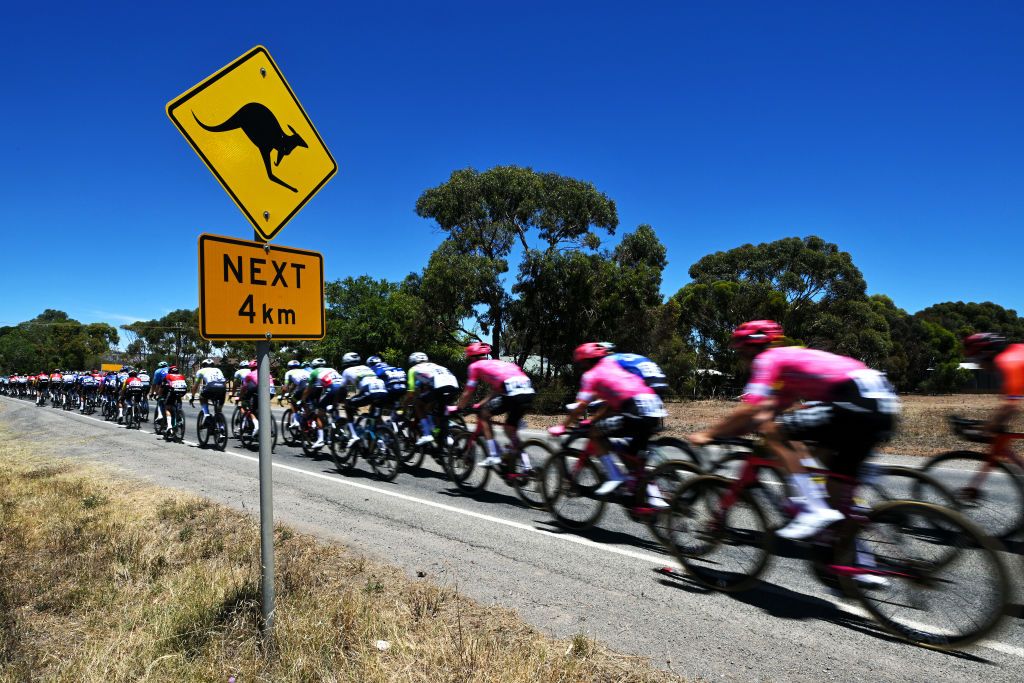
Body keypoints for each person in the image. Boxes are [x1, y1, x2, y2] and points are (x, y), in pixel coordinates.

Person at [688, 320, 900, 540]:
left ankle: (813, 509)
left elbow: (752, 409)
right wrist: (735, 429)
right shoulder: (790, 363)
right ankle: (851, 542)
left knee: (775, 432)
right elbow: (770, 410)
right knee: (827, 468)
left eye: (740, 350)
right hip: (882, 403)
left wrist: (709, 433)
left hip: (853, 401)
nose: (740, 355)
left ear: (752, 347)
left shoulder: (768, 358)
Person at [548, 343, 668, 509]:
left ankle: (615, 476)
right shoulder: (614, 368)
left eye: (581, 364)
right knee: (632, 455)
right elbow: (611, 405)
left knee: (595, 433)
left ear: (586, 362)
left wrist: (562, 426)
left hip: (634, 410)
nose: (581, 367)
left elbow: (580, 406)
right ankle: (654, 498)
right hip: (654, 409)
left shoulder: (591, 375)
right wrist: (594, 419)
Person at [454, 342, 535, 468]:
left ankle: (494, 455)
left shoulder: (475, 366)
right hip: (528, 392)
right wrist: (481, 403)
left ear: (472, 357)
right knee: (510, 430)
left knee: (483, 415)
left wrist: (458, 408)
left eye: (469, 358)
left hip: (512, 393)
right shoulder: (499, 363)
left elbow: (468, 391)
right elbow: (497, 390)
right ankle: (527, 466)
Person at [963, 333, 1023, 434]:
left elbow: (1011, 407)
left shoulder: (1008, 362)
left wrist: (984, 429)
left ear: (988, 354)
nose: (980, 365)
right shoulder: (1015, 350)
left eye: (976, 360)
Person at [406, 352, 460, 447]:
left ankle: (427, 434)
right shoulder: (433, 365)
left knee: (418, 404)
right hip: (454, 386)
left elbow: (410, 392)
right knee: (435, 409)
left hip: (439, 387)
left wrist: (404, 405)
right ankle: (446, 435)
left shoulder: (413, 369)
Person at [339, 352, 389, 446]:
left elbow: (343, 390)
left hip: (369, 391)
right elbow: (353, 389)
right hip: (383, 391)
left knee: (348, 406)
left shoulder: (347, 371)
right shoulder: (366, 367)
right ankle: (384, 439)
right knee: (375, 417)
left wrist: (338, 401)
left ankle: (354, 436)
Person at [300, 358, 344, 449]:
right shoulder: (331, 369)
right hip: (344, 389)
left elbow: (308, 389)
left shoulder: (314, 372)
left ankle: (320, 439)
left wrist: (303, 399)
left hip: (332, 389)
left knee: (319, 412)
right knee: (333, 407)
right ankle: (339, 425)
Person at [190, 358, 227, 424]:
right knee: (218, 411)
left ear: (203, 365)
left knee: (202, 398)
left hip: (211, 387)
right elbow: (224, 382)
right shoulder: (218, 370)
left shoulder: (201, 371)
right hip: (222, 388)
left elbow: (195, 386)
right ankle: (221, 427)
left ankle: (206, 415)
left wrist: (192, 397)